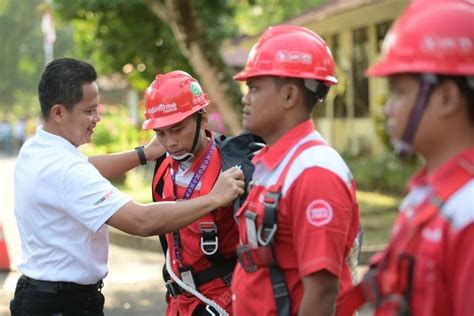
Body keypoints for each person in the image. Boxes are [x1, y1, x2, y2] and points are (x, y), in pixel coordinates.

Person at [10, 58, 244, 316]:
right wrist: (214, 198)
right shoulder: (65, 170)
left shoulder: (36, 149)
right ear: (58, 112)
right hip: (64, 305)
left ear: (202, 118)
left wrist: (144, 153)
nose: (97, 118)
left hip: (39, 296)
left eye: (176, 129)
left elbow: (86, 168)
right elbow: (142, 221)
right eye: (89, 111)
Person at [337, 1, 474, 315]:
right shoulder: (428, 193)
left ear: (447, 98)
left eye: (399, 91)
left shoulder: (467, 210)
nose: (387, 108)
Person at [230, 25, 361, 316]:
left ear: (289, 96)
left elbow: (322, 291)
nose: (245, 98)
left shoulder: (314, 172)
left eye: (254, 88)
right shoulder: (277, 163)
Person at [142, 70, 261, 315]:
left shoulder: (233, 168)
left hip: (224, 301)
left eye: (177, 129)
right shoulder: (163, 168)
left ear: (202, 117)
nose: (170, 142)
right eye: (160, 133)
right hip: (178, 301)